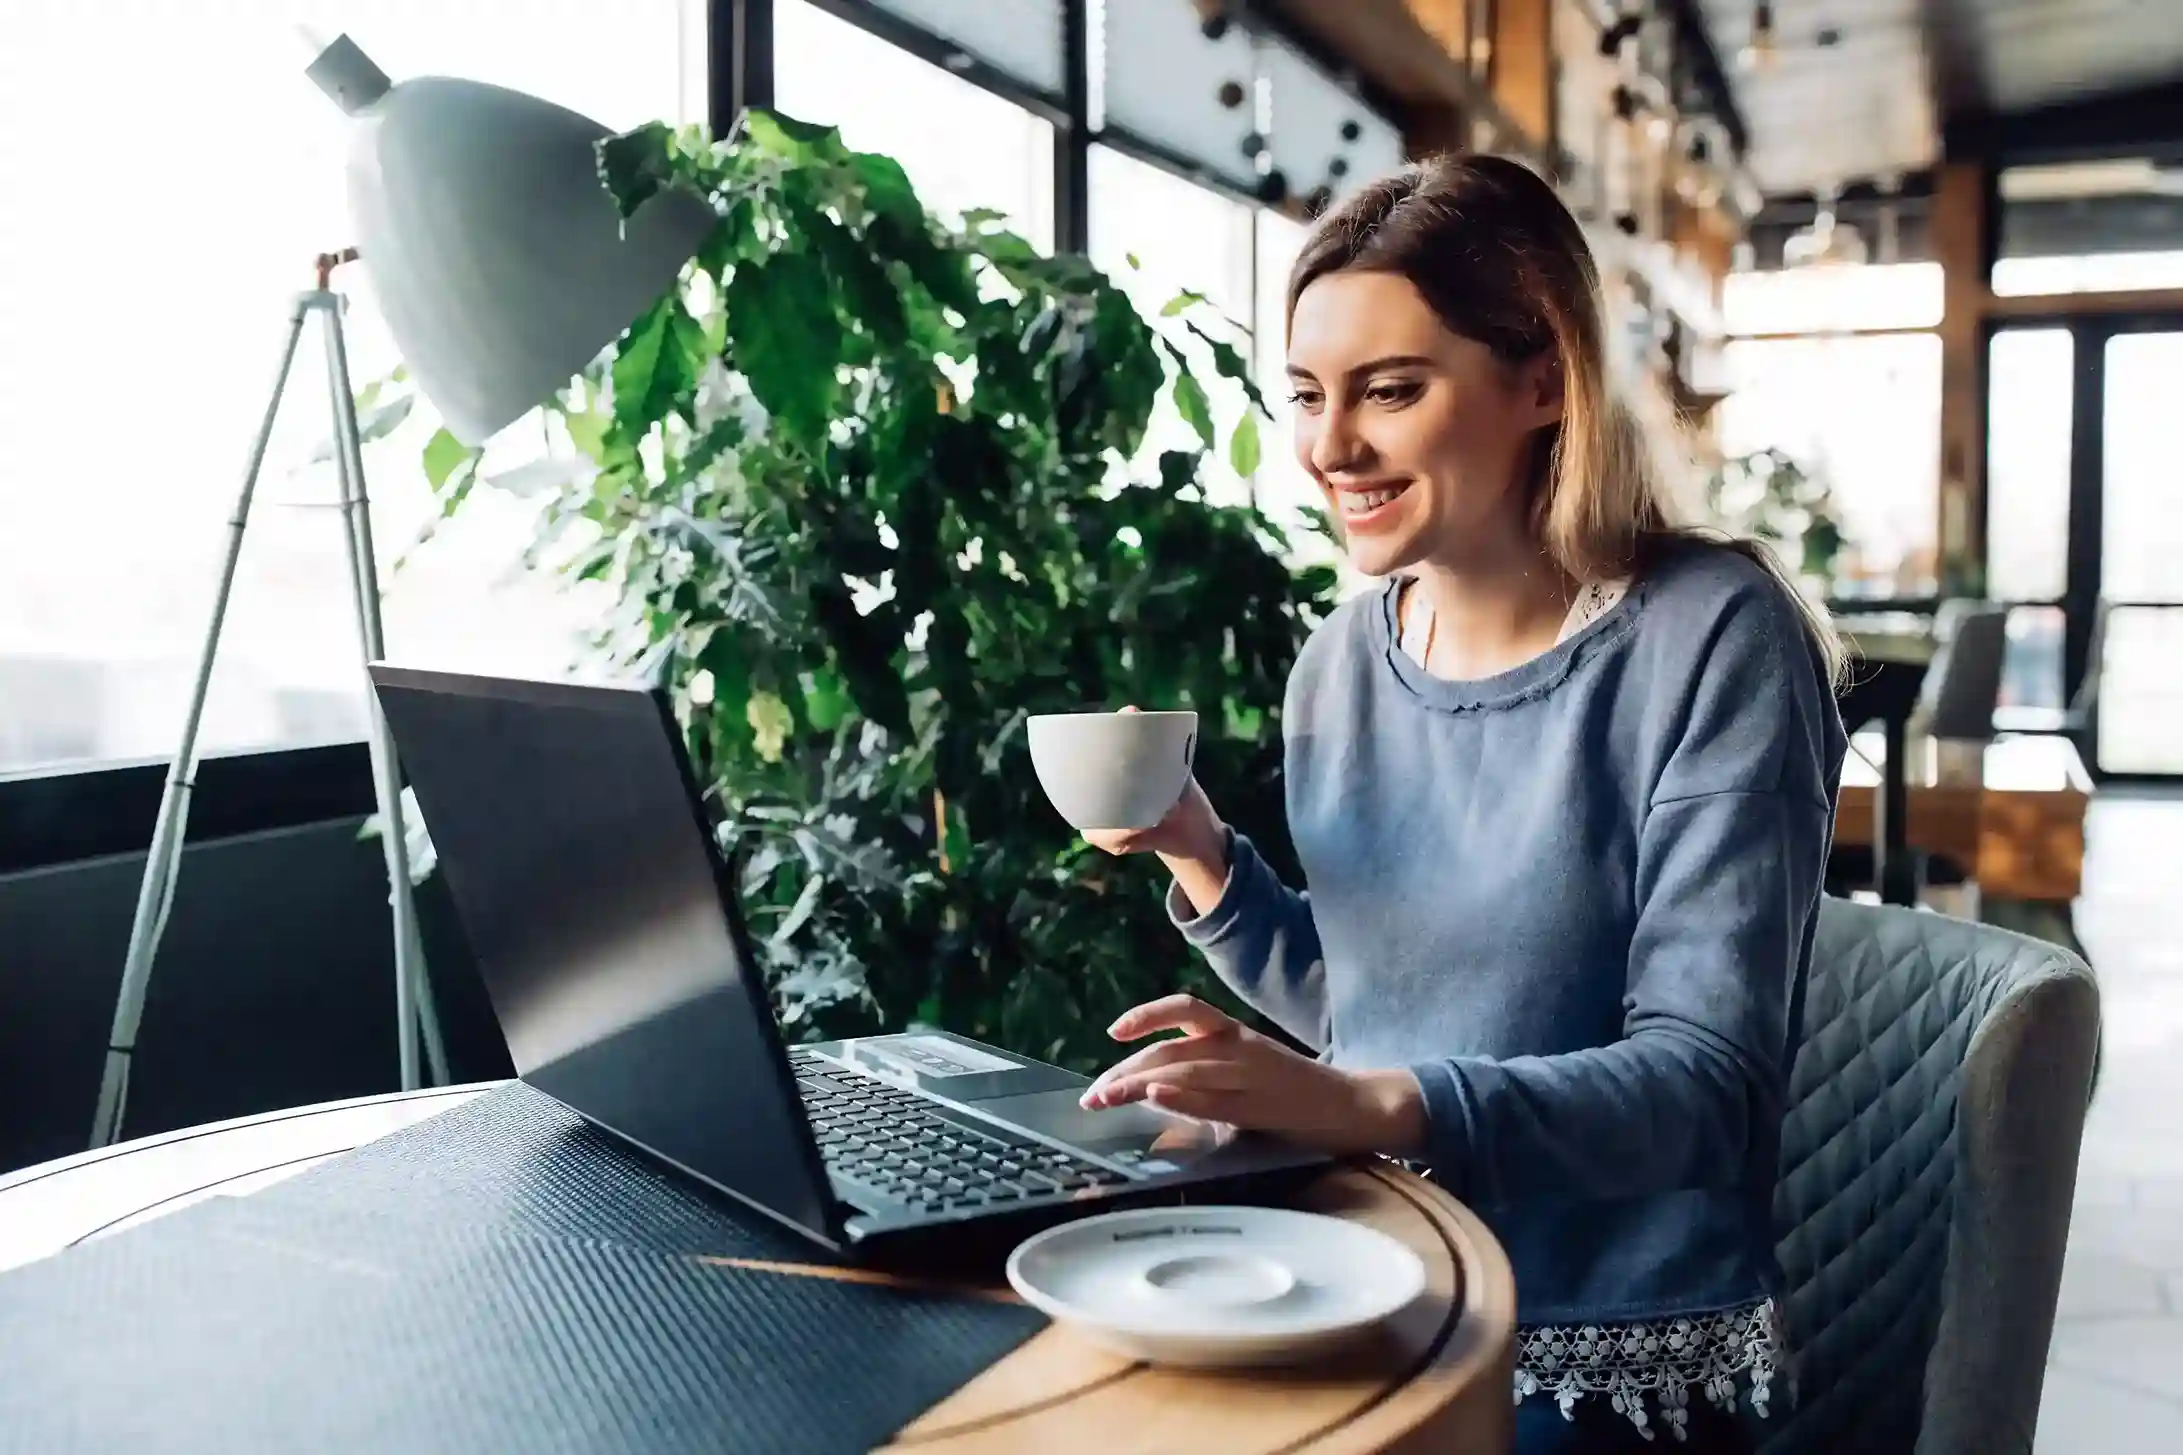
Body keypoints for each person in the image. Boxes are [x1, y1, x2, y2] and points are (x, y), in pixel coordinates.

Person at [1079, 154, 1847, 1453]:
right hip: (1375, 1269)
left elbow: (1706, 1088)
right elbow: (1390, 1007)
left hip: (1603, 1355)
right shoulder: (1339, 661)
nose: (1329, 446)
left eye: (1390, 390)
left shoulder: (1714, 637)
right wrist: (1204, 858)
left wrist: (1363, 1102)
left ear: (1541, 378)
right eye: (1309, 396)